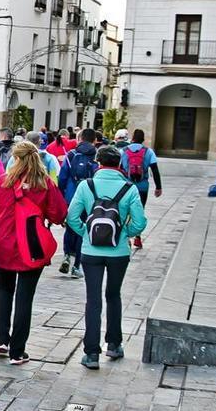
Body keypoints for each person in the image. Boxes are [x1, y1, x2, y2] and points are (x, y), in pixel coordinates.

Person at [0, 141, 67, 365]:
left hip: (4, 243)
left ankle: (3, 340)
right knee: (25, 297)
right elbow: (59, 213)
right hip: (32, 246)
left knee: (5, 290)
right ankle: (17, 351)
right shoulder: (44, 184)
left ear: (16, 158)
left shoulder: (2, 182)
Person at [67, 146, 147, 370]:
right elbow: (140, 223)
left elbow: (71, 217)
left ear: (98, 163)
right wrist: (124, 234)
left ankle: (91, 353)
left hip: (91, 252)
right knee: (114, 295)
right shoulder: (129, 188)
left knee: (93, 300)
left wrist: (87, 233)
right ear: (119, 164)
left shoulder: (87, 185)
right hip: (118, 252)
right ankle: (113, 344)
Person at [58, 128, 99, 279]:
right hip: (90, 197)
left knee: (70, 227)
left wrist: (61, 194)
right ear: (94, 140)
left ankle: (67, 255)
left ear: (80, 139)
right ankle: (77, 265)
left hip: (71, 196)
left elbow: (62, 178)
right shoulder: (97, 155)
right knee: (84, 229)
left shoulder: (71, 154)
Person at [120, 129, 161, 249]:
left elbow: (121, 169)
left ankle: (126, 237)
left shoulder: (124, 151)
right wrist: (158, 187)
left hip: (127, 186)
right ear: (143, 139)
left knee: (126, 210)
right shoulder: (149, 152)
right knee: (140, 210)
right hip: (142, 187)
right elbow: (155, 170)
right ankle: (137, 237)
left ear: (132, 138)